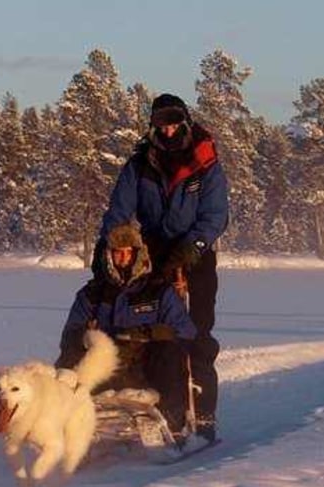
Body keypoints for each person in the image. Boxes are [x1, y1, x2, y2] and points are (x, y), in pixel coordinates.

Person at [93, 93, 228, 443]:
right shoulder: (140, 163)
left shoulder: (205, 161)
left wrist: (191, 249)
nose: (167, 131)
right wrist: (107, 245)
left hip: (195, 254)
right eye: (160, 124)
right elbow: (119, 210)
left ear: (184, 122)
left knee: (195, 333)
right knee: (144, 329)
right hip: (151, 253)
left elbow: (215, 216)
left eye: (172, 123)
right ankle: (154, 403)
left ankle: (203, 414)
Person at [60, 221, 196, 437]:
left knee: (171, 352)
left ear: (137, 254)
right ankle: (62, 424)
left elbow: (185, 330)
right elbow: (70, 333)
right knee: (70, 356)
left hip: (147, 362)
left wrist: (146, 333)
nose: (123, 258)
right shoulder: (92, 294)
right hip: (105, 362)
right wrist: (89, 338)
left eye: (128, 253)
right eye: (117, 253)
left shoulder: (159, 290)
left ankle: (173, 426)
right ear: (109, 255)